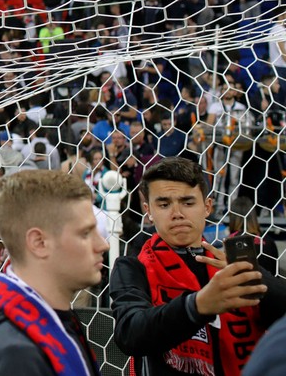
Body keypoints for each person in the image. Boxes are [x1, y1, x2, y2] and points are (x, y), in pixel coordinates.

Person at [110, 157, 286, 376]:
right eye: (164, 204)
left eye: (188, 203)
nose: (177, 213)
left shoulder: (231, 265)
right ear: (148, 211)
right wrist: (196, 306)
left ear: (207, 207)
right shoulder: (133, 266)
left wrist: (254, 275)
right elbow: (129, 333)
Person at [0, 170, 107, 376]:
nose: (103, 245)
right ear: (39, 243)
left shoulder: (57, 322)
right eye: (85, 233)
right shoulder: (16, 356)